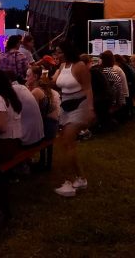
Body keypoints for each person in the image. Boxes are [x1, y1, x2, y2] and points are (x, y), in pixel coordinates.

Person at [51, 41, 94, 198]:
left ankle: (69, 182)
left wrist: (90, 109)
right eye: (56, 52)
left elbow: (88, 88)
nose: (58, 55)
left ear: (67, 51)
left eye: (60, 52)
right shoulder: (62, 67)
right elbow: (56, 83)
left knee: (67, 143)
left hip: (79, 106)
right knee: (66, 144)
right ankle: (80, 178)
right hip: (65, 106)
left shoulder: (80, 66)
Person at [11, 75, 44, 147]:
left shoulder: (13, 89)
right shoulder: (22, 87)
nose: (26, 78)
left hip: (30, 139)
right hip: (39, 134)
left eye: (28, 76)